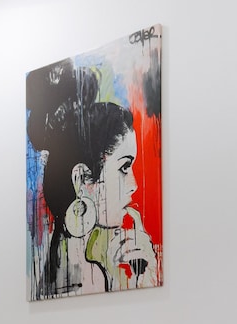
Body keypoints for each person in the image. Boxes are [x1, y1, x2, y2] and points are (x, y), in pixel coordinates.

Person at [26, 59, 159, 299]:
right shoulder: (88, 279)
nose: (134, 185)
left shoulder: (70, 270)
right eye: (124, 167)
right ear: (82, 179)